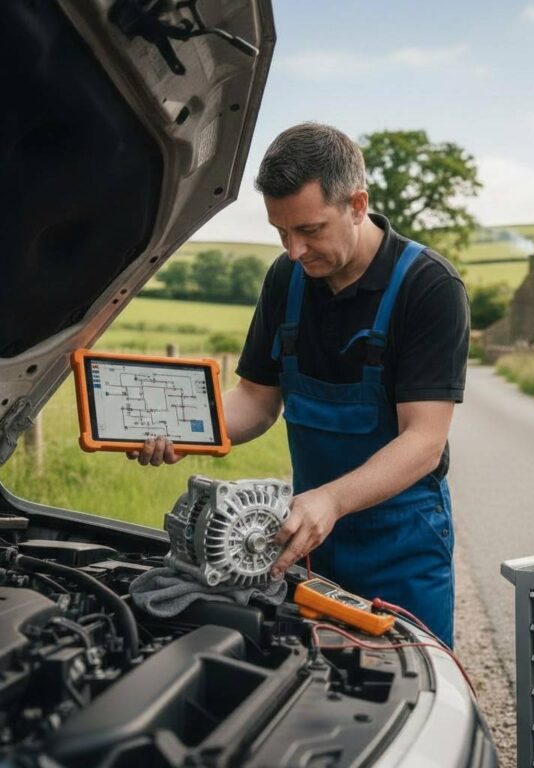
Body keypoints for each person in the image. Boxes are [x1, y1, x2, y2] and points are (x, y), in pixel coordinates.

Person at [130, 123, 469, 647]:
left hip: (402, 541)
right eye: (280, 231)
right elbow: (256, 401)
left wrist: (330, 502)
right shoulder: (286, 279)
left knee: (413, 675)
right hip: (305, 537)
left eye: (310, 230)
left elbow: (423, 441)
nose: (293, 250)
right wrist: (187, 430)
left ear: (357, 204)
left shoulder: (429, 288)